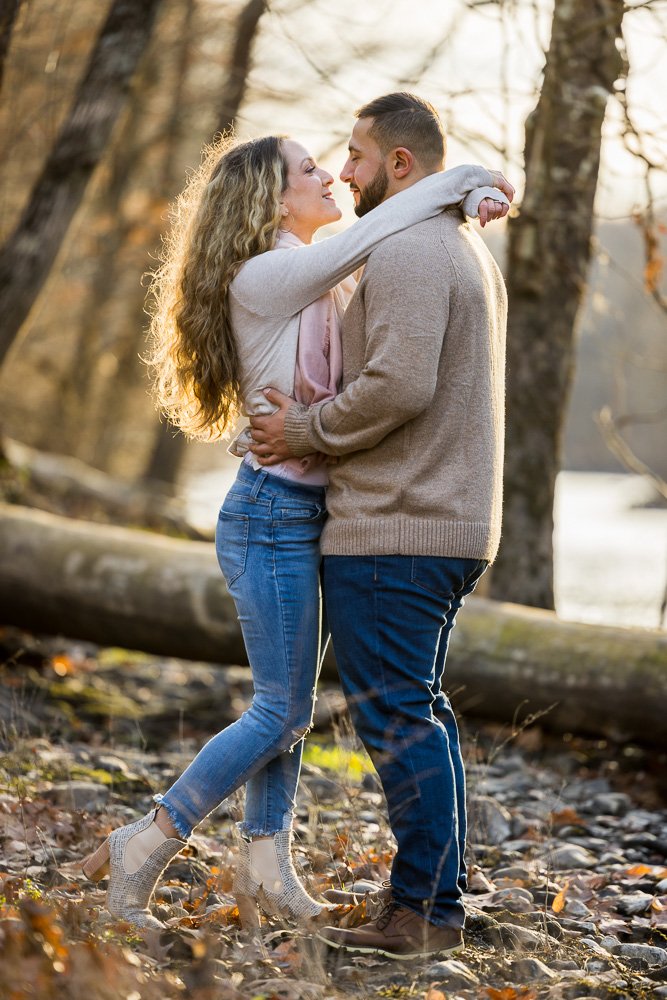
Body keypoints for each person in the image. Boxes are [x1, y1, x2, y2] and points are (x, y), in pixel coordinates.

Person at [80, 127, 510, 932]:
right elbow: (384, 225)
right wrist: (469, 180)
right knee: (279, 709)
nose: (333, 178)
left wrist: (465, 196)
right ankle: (147, 841)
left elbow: (381, 252)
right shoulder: (270, 274)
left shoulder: (324, 281)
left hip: (311, 511)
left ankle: (264, 870)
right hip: (269, 512)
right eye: (311, 168)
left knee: (293, 706)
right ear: (268, 198)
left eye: (338, 161)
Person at [248, 93, 509, 960]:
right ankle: (431, 898)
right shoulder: (457, 241)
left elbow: (398, 385)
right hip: (441, 522)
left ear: (400, 165)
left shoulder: (406, 246)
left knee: (398, 716)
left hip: (400, 524)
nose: (344, 170)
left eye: (355, 156)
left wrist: (302, 432)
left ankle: (422, 914)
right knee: (420, 712)